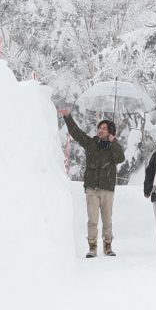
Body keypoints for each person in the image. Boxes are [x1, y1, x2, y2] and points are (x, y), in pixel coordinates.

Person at [59, 109, 126, 258]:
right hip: (92, 189)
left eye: (104, 129)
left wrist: (113, 142)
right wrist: (67, 117)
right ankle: (92, 247)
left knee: (107, 220)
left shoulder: (113, 147)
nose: (100, 130)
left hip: (107, 189)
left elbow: (120, 158)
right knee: (92, 220)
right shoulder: (91, 143)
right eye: (99, 128)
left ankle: (108, 247)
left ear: (110, 132)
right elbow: (76, 133)